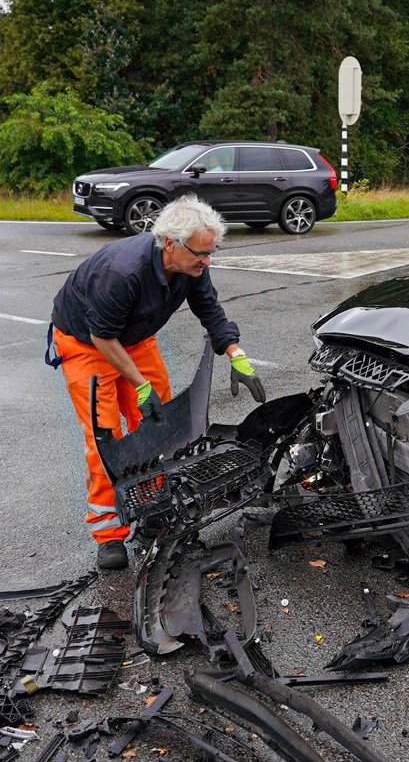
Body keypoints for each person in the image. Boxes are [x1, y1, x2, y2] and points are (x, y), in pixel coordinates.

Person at [47, 195, 266, 570]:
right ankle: (108, 533)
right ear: (170, 243)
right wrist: (139, 384)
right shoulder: (122, 272)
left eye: (211, 252)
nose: (207, 260)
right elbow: (103, 337)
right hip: (87, 344)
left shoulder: (191, 267)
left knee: (157, 425)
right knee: (105, 437)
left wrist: (235, 352)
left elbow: (209, 308)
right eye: (201, 253)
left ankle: (150, 508)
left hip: (134, 338)